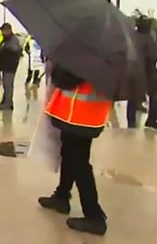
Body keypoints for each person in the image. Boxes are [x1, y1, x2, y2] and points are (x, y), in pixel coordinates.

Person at [37, 64, 112, 235]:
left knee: (79, 162)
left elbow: (64, 78)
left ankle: (94, 216)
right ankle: (62, 195)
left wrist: (59, 65)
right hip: (88, 113)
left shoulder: (85, 54)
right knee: (70, 154)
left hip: (78, 113)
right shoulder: (108, 53)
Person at [127, 16, 157, 130]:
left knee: (135, 98)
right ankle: (148, 121)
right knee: (151, 97)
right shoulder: (142, 38)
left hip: (141, 71)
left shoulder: (135, 37)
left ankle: (134, 122)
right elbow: (152, 56)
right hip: (143, 70)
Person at [0, 23, 22, 111]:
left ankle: (8, 104)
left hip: (10, 65)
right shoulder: (6, 39)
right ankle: (5, 101)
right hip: (6, 65)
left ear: (8, 30)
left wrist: (5, 48)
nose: (2, 32)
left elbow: (15, 49)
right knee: (6, 85)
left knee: (8, 85)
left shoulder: (13, 39)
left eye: (3, 31)